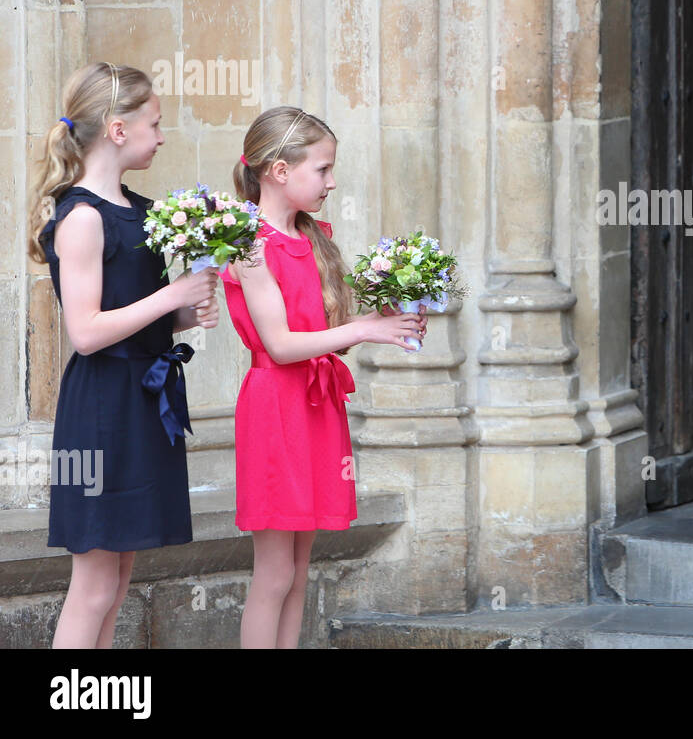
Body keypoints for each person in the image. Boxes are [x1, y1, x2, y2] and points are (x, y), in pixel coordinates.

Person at [29, 62, 221, 648]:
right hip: (98, 412)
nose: (160, 137)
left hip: (142, 399)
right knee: (92, 584)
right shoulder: (82, 216)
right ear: (117, 129)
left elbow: (134, 311)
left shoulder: (141, 210)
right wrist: (170, 296)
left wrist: (186, 311)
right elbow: (85, 332)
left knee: (119, 582)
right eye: (154, 124)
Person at [221, 107, 424, 648]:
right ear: (279, 171)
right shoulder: (251, 246)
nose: (332, 182)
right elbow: (282, 345)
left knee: (300, 568)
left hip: (315, 404)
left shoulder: (312, 237)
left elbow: (321, 325)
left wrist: (385, 318)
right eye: (323, 169)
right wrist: (364, 333)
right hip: (275, 406)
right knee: (275, 573)